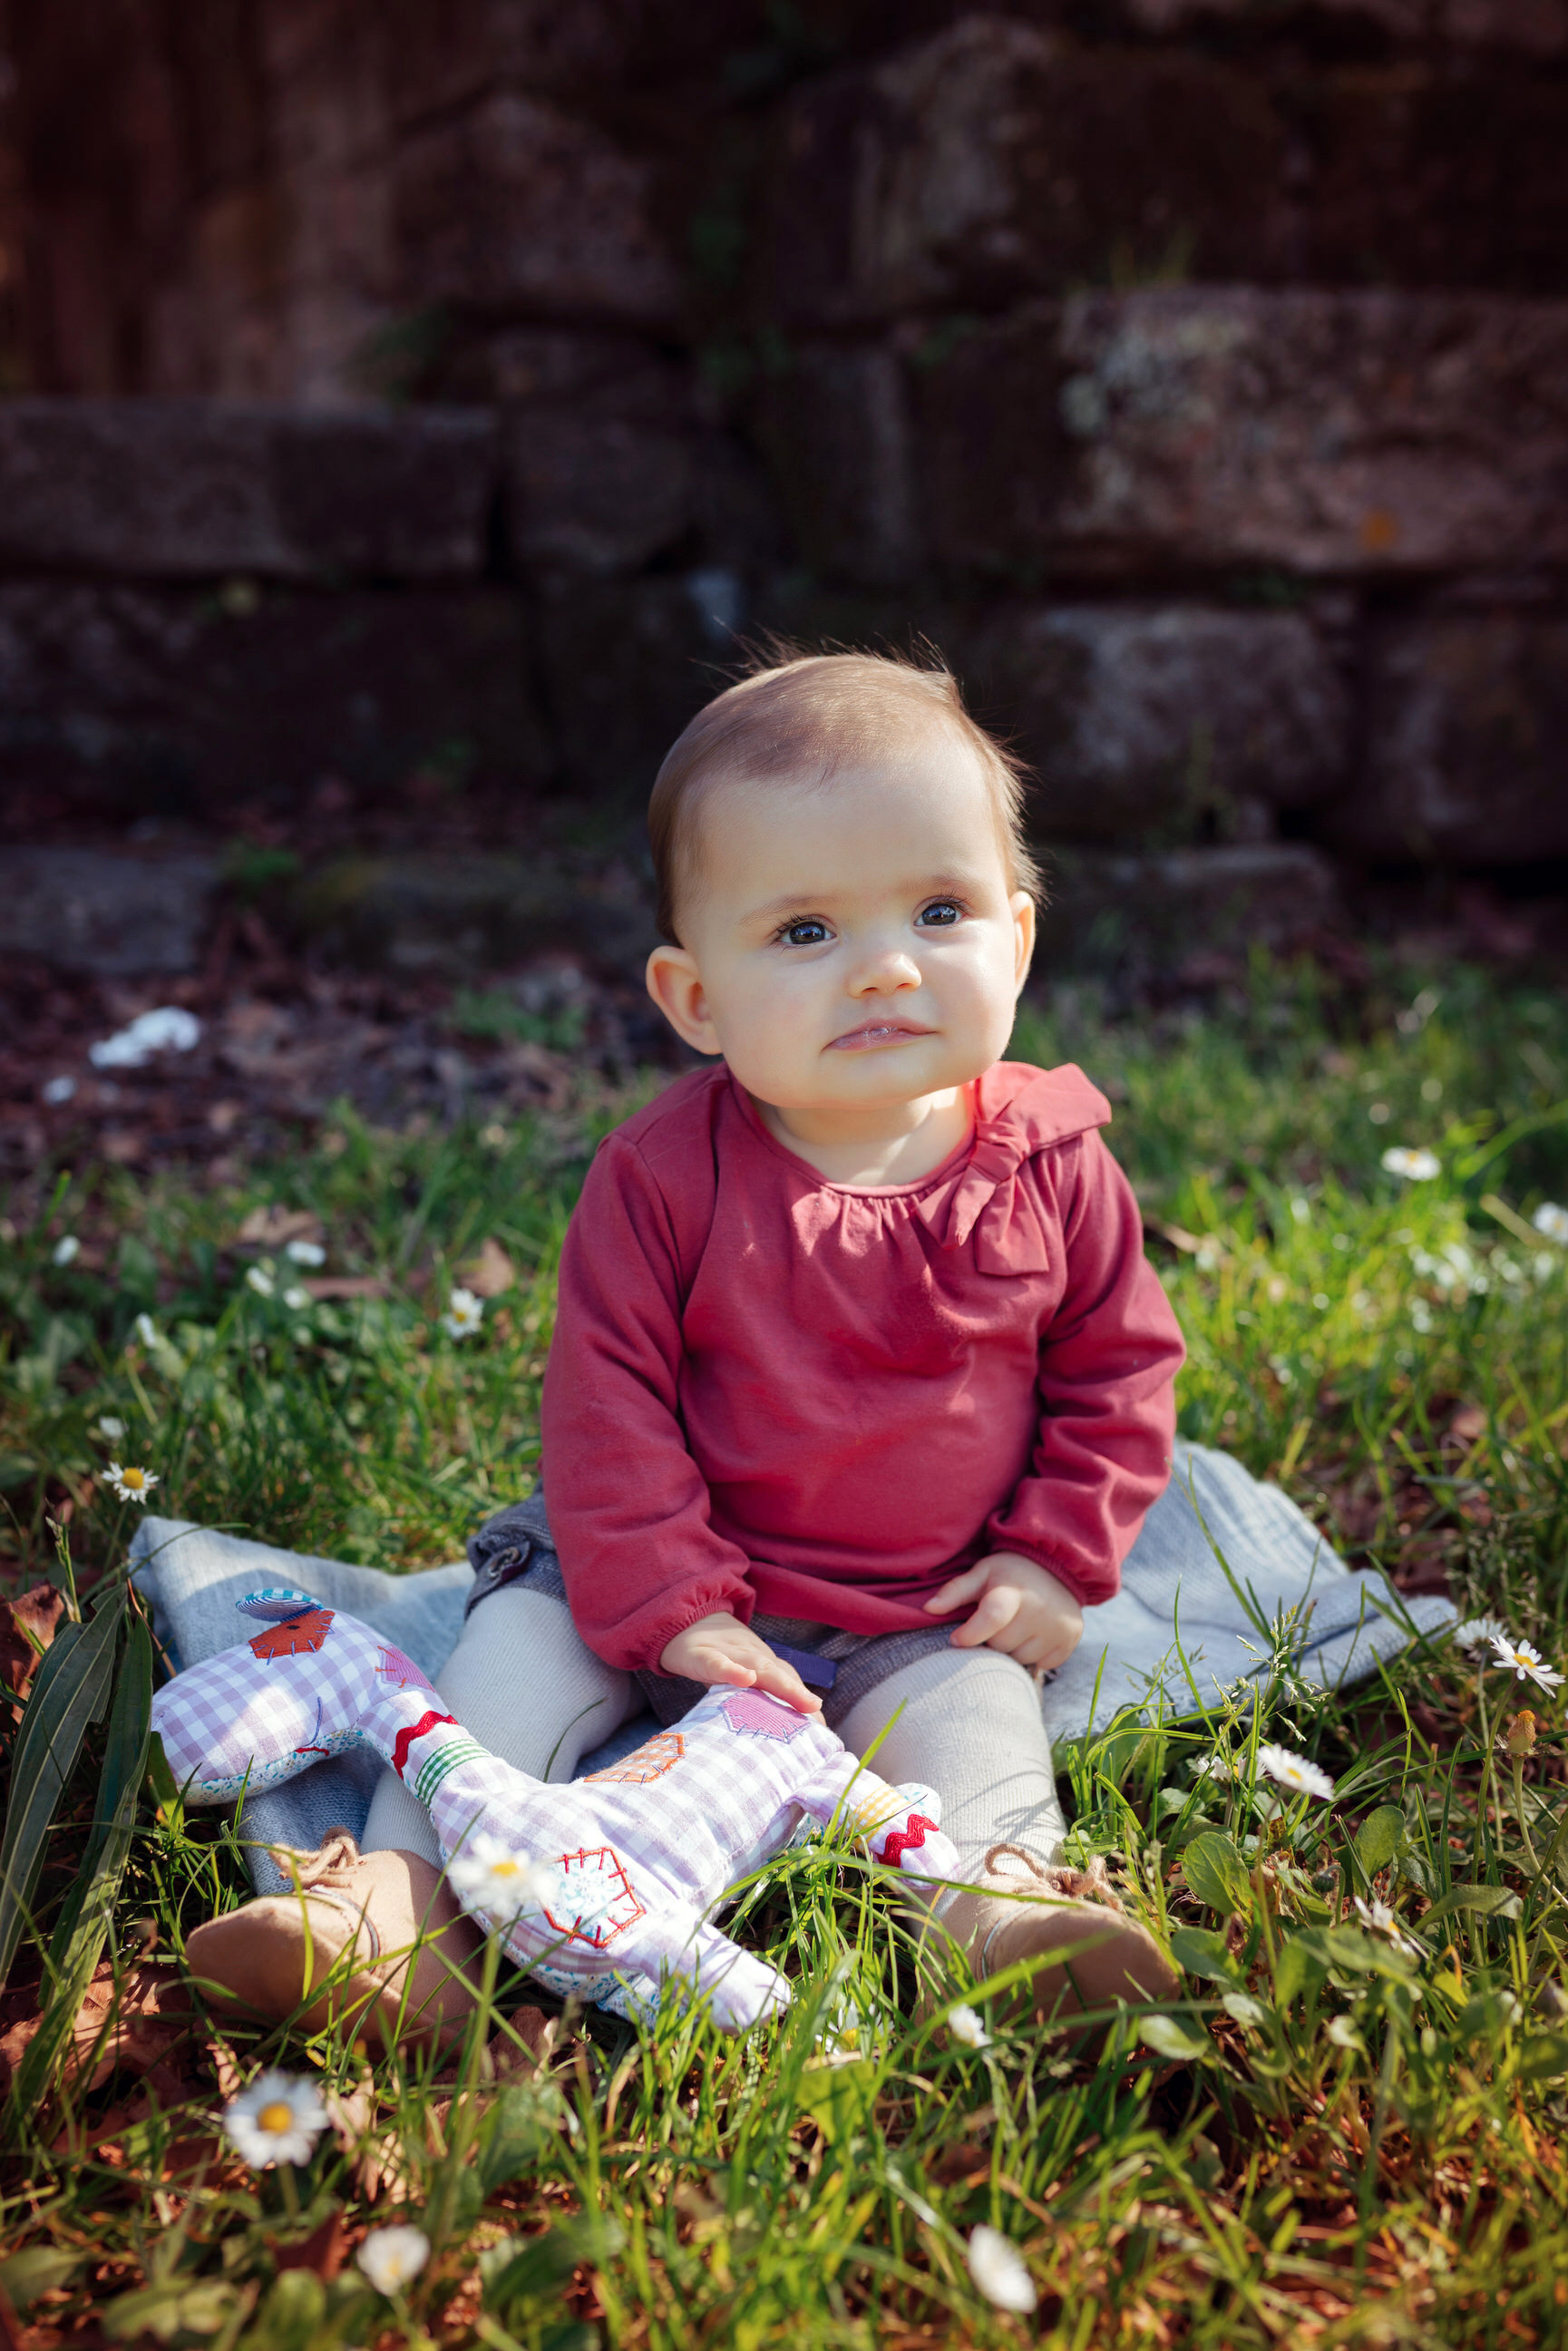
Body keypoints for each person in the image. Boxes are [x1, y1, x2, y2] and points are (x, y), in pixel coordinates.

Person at [187, 649, 1184, 2046]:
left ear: (1015, 941)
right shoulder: (662, 1177)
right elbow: (608, 1410)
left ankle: (995, 1916)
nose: (886, 965)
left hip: (917, 1603)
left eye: (938, 911)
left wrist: (1050, 1559)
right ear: (695, 997)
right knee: (510, 1661)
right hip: (641, 1577)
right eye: (804, 931)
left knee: (978, 1720)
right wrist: (668, 1604)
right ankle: (401, 1910)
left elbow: (1116, 1376)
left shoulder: (1053, 1164)